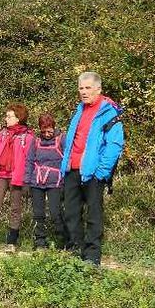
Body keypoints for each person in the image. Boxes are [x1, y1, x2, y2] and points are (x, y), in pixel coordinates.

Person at [60, 72, 124, 266]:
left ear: (98, 89)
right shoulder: (79, 110)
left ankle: (92, 255)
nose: (84, 92)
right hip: (73, 169)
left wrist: (101, 173)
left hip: (94, 172)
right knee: (71, 212)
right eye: (81, 88)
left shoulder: (109, 113)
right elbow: (73, 141)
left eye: (88, 88)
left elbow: (114, 145)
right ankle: (75, 248)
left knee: (94, 214)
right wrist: (66, 164)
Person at [0, 103, 34, 254]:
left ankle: (11, 243)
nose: (6, 119)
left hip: (17, 177)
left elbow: (30, 160)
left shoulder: (28, 137)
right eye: (7, 116)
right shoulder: (3, 134)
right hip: (1, 175)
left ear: (18, 118)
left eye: (9, 116)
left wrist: (28, 180)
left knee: (15, 209)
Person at [23, 114, 68, 251]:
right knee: (38, 214)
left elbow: (67, 161)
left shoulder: (62, 139)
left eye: (50, 131)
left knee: (56, 213)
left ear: (54, 128)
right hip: (37, 181)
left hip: (55, 182)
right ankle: (40, 242)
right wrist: (26, 182)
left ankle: (64, 241)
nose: (47, 134)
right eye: (44, 131)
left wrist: (66, 182)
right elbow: (30, 161)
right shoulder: (36, 142)